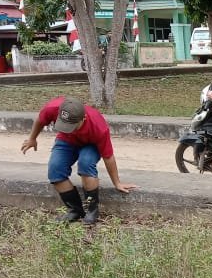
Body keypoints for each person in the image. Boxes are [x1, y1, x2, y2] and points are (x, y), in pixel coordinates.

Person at [21, 96, 138, 224]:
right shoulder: (52, 108)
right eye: (64, 124)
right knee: (55, 169)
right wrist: (32, 139)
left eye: (71, 125)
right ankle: (75, 210)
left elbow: (108, 156)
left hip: (90, 144)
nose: (66, 127)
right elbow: (40, 120)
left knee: (85, 163)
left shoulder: (98, 127)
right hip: (66, 140)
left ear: (83, 119)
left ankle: (92, 210)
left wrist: (117, 182)